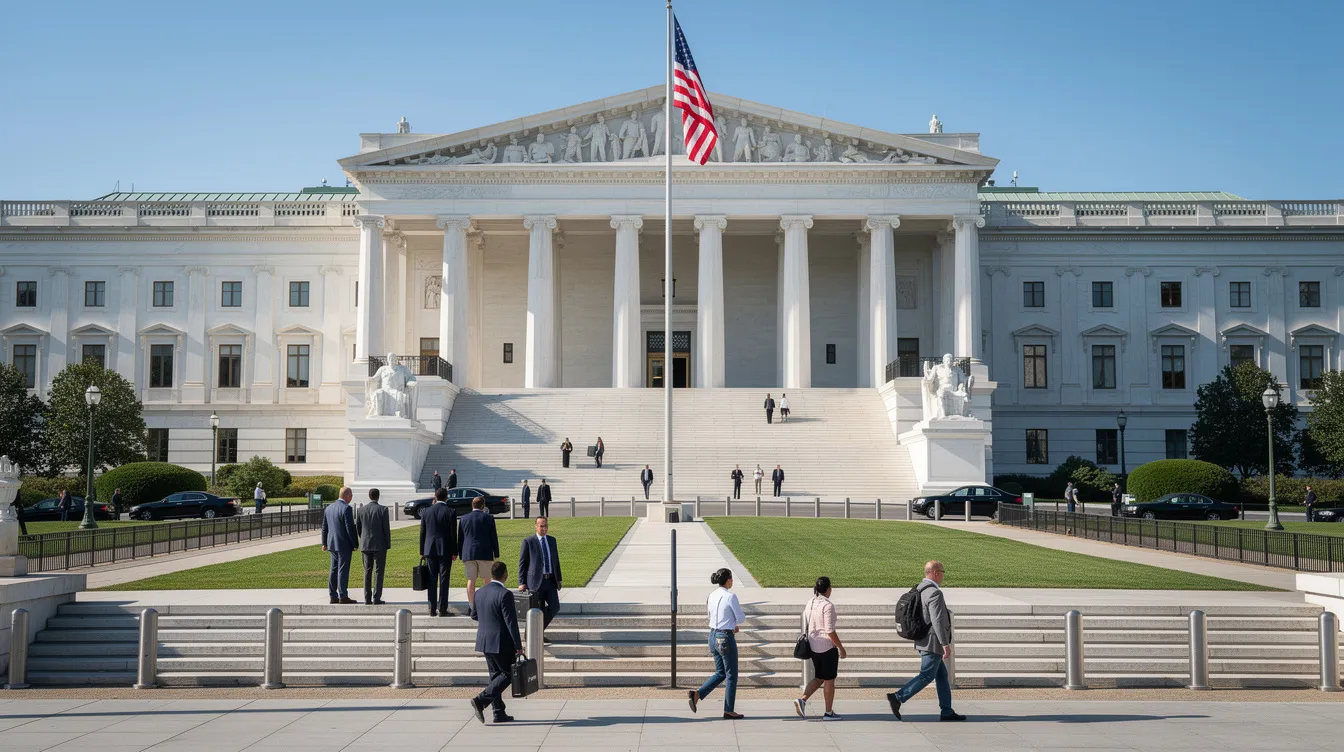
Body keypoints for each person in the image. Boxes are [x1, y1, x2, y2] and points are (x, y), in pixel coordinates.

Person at [887, 561, 965, 722]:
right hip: (933, 641)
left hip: (923, 638)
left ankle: (947, 711)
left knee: (942, 675)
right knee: (926, 676)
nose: (943, 575)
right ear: (936, 572)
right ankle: (898, 697)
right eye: (943, 571)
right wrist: (945, 644)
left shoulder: (920, 588)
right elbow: (937, 620)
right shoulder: (934, 593)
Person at [469, 560, 523, 725]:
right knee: (508, 674)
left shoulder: (480, 592)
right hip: (500, 642)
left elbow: (474, 615)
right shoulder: (505, 594)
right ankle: (481, 700)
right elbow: (511, 623)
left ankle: (498, 712)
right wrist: (518, 646)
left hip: (485, 640)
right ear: (505, 574)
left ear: (491, 575)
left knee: (495, 677)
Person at [688, 567, 745, 719]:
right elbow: (740, 618)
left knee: (721, 672)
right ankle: (728, 709)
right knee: (732, 674)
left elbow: (711, 615)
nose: (732, 581)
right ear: (728, 580)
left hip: (712, 636)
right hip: (725, 637)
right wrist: (733, 624)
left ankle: (698, 694)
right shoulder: (730, 596)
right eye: (732, 579)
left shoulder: (712, 595)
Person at [795, 576, 846, 720]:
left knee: (819, 677)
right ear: (828, 589)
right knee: (829, 679)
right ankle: (828, 712)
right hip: (826, 647)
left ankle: (803, 699)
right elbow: (829, 630)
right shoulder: (827, 605)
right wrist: (840, 647)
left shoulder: (810, 602)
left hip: (813, 645)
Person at [518, 516, 562, 635]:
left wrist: (559, 579)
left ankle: (536, 632)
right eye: (541, 526)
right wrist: (521, 582)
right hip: (535, 582)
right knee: (536, 610)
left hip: (550, 581)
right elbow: (522, 563)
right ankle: (533, 635)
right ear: (536, 526)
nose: (544, 528)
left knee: (555, 607)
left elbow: (556, 560)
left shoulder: (552, 540)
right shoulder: (528, 541)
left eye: (546, 526)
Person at [420, 487, 459, 617]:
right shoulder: (450, 511)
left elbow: (422, 533)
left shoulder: (426, 511)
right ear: (446, 497)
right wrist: (455, 551)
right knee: (444, 579)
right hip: (445, 549)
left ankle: (432, 608)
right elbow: (453, 534)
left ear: (435, 497)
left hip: (429, 549)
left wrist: (422, 551)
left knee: (431, 579)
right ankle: (442, 608)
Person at [459, 496, 500, 620]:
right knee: (487, 580)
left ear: (472, 505)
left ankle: (472, 607)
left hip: (469, 553)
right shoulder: (488, 518)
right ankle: (484, 607)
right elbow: (493, 536)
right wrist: (496, 553)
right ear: (483, 506)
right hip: (485, 553)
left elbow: (461, 538)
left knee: (471, 580)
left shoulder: (464, 518)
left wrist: (461, 553)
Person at [321, 488, 359, 604]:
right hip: (344, 544)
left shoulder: (329, 508)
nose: (351, 497)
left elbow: (324, 527)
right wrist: (355, 544)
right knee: (343, 569)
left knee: (333, 570)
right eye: (351, 495)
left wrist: (324, 543)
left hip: (332, 544)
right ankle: (343, 595)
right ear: (346, 495)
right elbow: (350, 528)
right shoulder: (346, 508)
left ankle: (333, 595)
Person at [355, 487, 391, 605]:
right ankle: (376, 597)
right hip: (379, 545)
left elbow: (359, 529)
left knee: (367, 571)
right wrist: (387, 544)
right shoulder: (383, 510)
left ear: (369, 496)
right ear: (378, 496)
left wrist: (363, 539)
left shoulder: (361, 510)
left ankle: (367, 598)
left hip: (366, 544)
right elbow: (386, 529)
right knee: (378, 571)